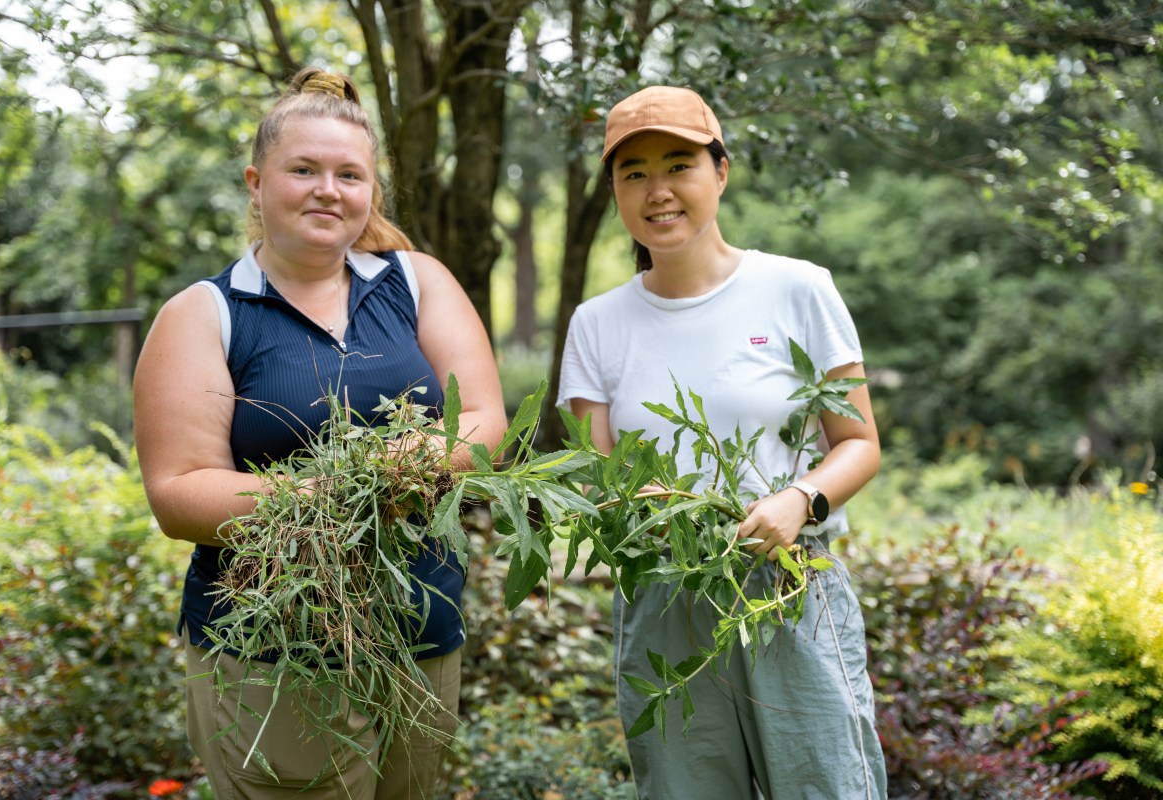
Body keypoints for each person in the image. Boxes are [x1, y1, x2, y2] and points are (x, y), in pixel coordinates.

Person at [133, 67, 506, 799]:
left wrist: (420, 455)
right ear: (256, 180)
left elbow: (486, 422)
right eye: (302, 169)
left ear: (371, 191)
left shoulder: (416, 282)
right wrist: (333, 494)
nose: (327, 190)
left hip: (420, 631)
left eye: (348, 174)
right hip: (274, 654)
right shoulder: (204, 314)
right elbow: (178, 494)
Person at [557, 86, 887, 799]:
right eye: (634, 173)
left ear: (721, 172)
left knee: (828, 785)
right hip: (665, 597)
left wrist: (800, 499)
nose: (658, 191)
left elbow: (859, 444)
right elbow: (595, 476)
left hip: (789, 586)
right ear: (615, 190)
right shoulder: (596, 324)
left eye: (679, 165)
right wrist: (621, 504)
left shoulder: (798, 289)